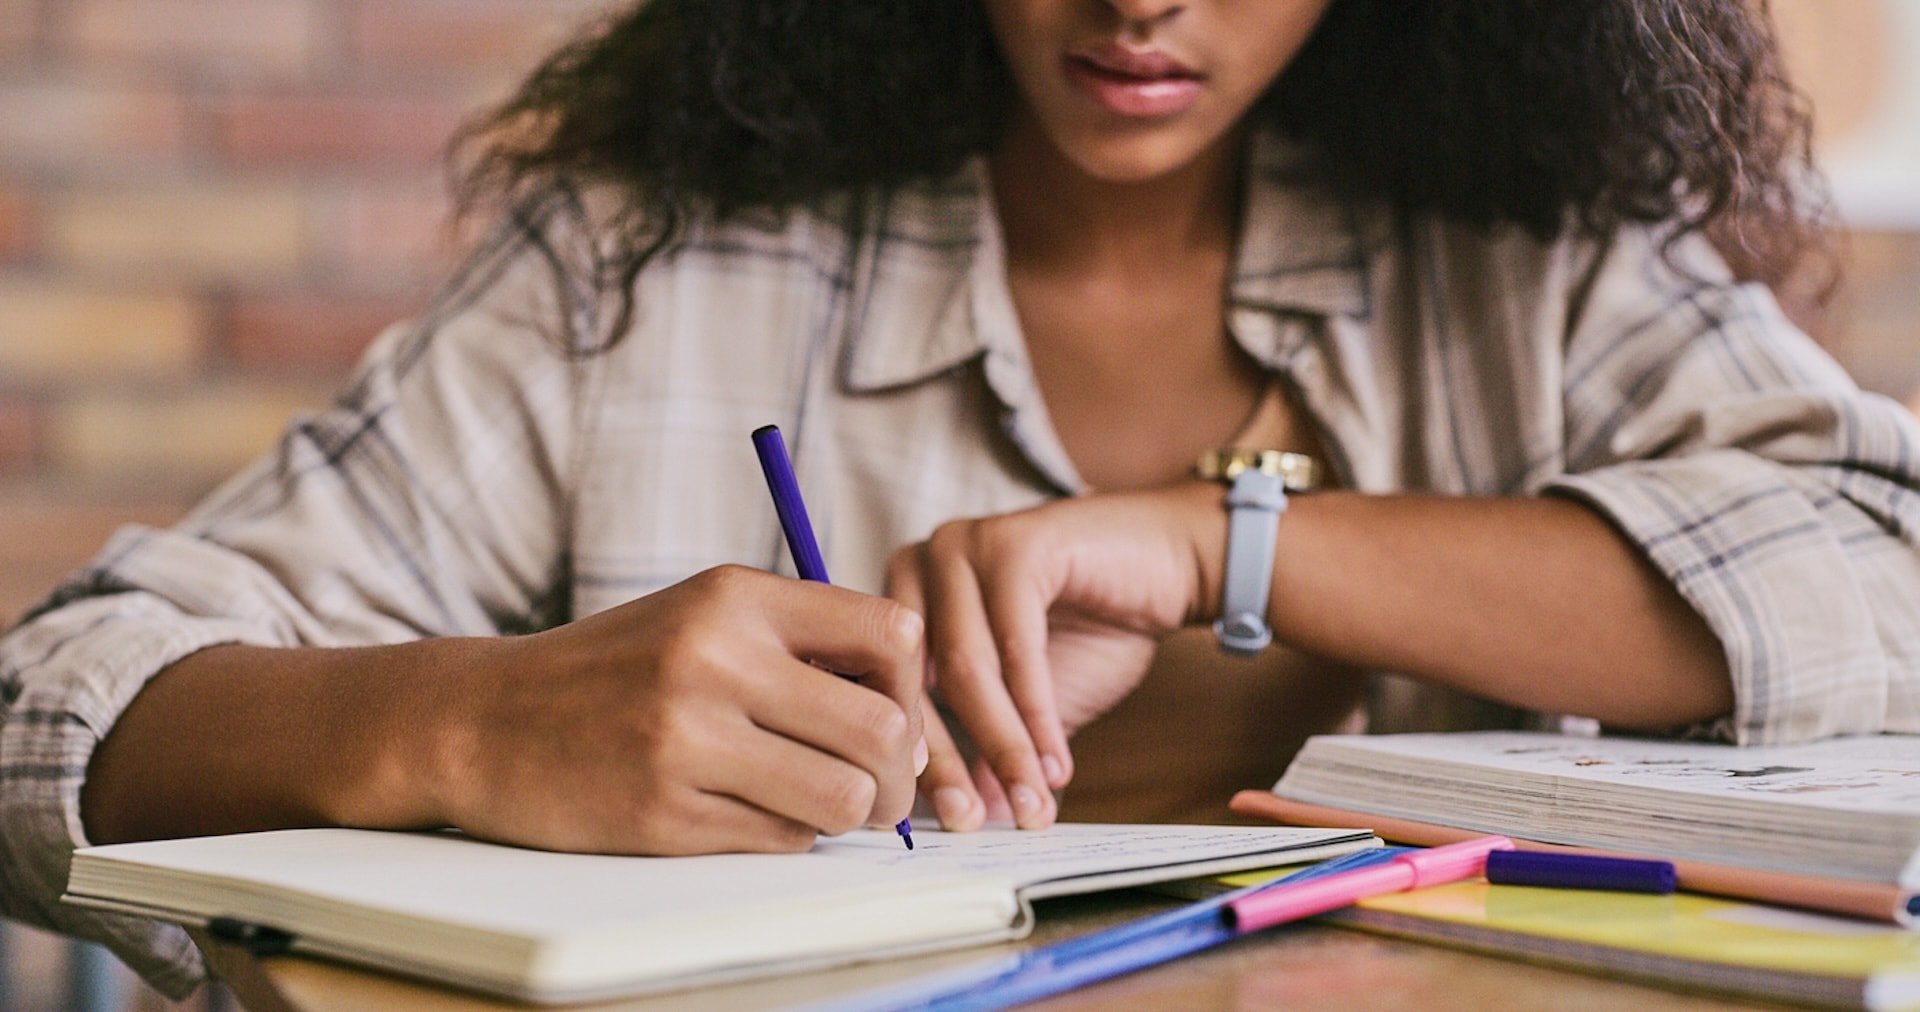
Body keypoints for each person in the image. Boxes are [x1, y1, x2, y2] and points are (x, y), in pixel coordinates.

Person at [4, 0, 1918, 997]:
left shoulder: (1535, 263)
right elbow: (48, 705)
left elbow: (1886, 563)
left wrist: (1217, 538)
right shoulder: (651, 272)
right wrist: (463, 719)